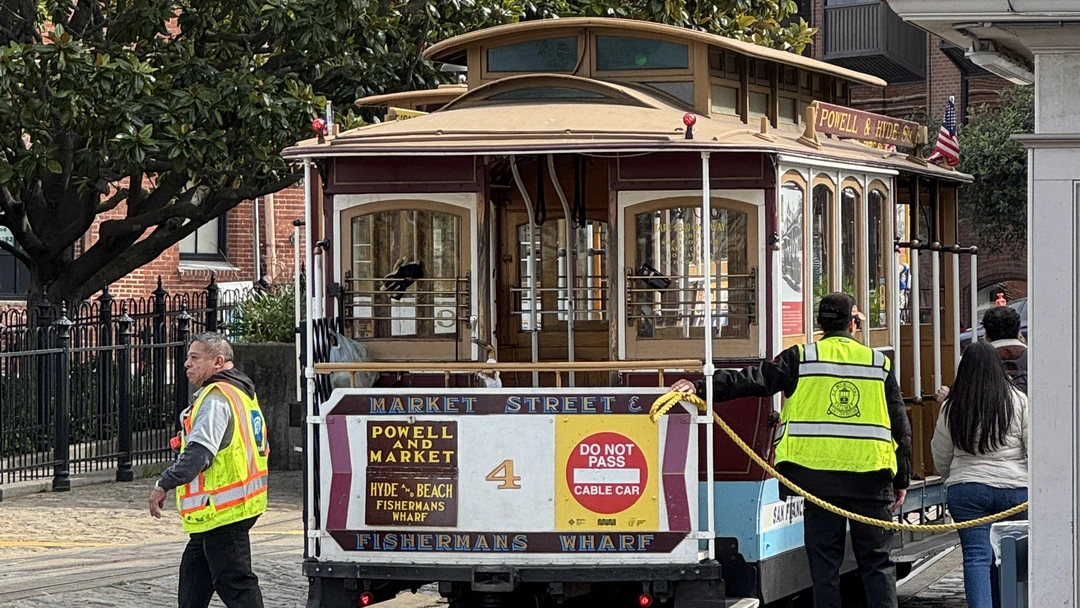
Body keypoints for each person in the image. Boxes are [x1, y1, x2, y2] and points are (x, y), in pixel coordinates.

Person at [671, 292, 911, 608]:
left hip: (817, 483)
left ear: (819, 324)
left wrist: (700, 386)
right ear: (853, 324)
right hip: (870, 480)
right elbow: (900, 426)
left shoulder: (801, 357)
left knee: (824, 569)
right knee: (877, 565)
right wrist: (902, 479)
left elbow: (753, 379)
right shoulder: (878, 363)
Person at [149, 332, 269, 608]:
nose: (187, 364)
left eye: (194, 357)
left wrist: (164, 484)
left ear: (218, 361)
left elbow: (199, 453)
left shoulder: (216, 398)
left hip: (223, 509)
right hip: (230, 507)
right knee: (194, 577)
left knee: (235, 584)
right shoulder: (241, 392)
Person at [931, 340, 1028, 608]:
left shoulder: (952, 406)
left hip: (968, 489)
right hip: (1014, 490)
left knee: (976, 558)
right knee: (1013, 558)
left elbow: (941, 453)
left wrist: (952, 478)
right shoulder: (1018, 400)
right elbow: (1032, 446)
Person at [936, 304, 1027, 403]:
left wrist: (948, 401)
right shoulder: (1033, 357)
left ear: (986, 333)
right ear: (1018, 331)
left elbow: (964, 399)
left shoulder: (974, 360)